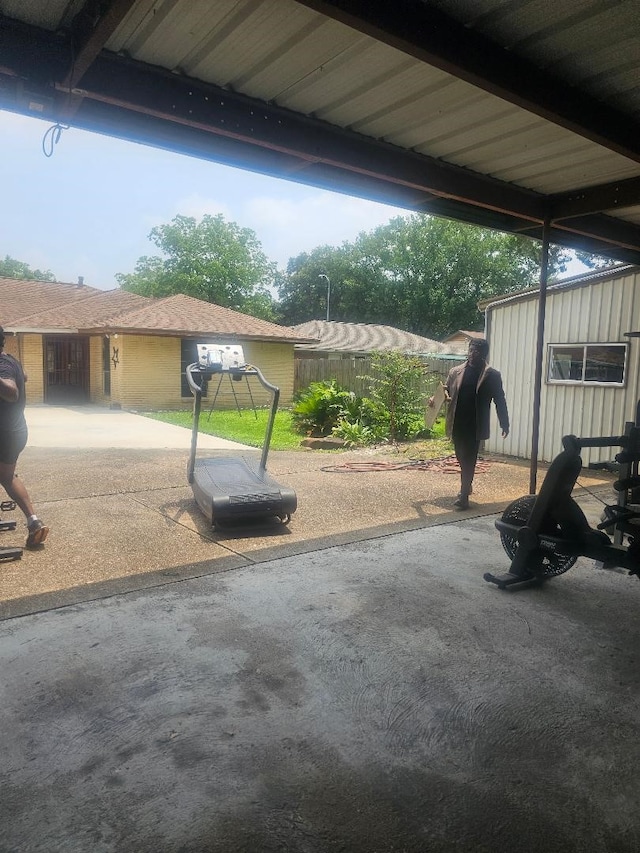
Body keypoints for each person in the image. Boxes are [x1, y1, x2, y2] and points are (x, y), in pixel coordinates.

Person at [430, 337, 509, 510]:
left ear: (484, 355)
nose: (473, 354)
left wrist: (505, 422)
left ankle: (464, 494)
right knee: (460, 455)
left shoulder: (492, 375)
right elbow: (446, 392)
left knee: (469, 458)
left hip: (476, 424)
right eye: (471, 350)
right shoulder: (455, 371)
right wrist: (434, 400)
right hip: (457, 421)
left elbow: (500, 400)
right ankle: (467, 483)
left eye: (477, 351)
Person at [0, 328, 49, 547]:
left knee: (7, 477)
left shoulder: (2, 365)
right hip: (16, 431)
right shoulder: (10, 361)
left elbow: (11, 392)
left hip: (5, 433)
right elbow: (24, 377)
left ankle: (34, 523)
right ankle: (34, 522)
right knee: (7, 476)